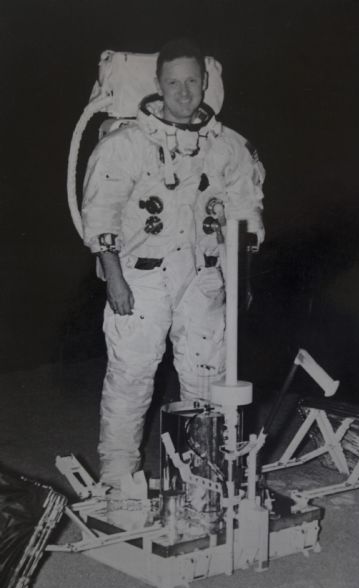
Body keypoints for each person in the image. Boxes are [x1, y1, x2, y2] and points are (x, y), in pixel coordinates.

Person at [81, 38, 265, 493]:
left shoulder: (229, 148)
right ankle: (120, 479)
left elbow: (246, 214)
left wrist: (237, 275)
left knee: (206, 379)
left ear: (205, 83)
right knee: (131, 378)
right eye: (172, 82)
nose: (183, 92)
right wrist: (114, 279)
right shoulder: (126, 146)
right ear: (158, 85)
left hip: (203, 279)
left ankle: (200, 477)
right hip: (141, 279)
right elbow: (101, 212)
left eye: (191, 82)